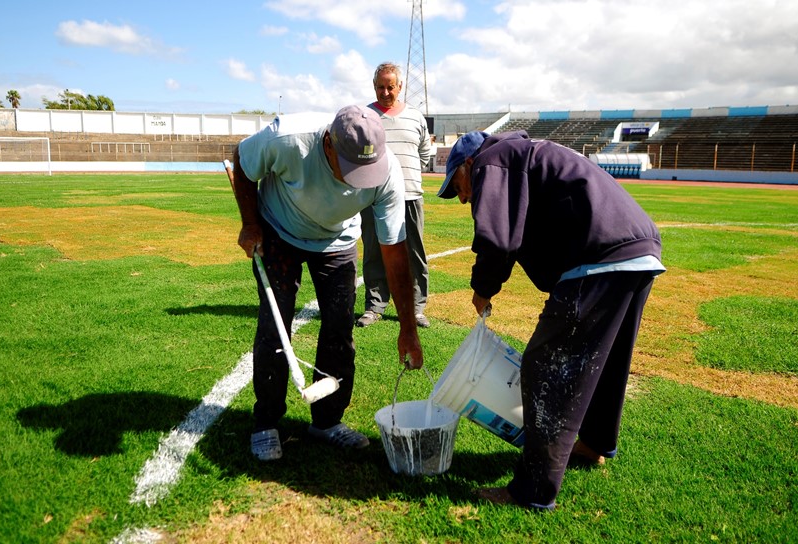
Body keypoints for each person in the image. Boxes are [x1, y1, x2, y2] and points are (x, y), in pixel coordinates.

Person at [438, 130, 665, 510]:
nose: (461, 197)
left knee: (545, 366)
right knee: (604, 360)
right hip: (638, 249)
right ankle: (594, 444)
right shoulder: (521, 154)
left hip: (601, 255)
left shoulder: (493, 160)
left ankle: (531, 491)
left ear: (468, 164)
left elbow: (497, 241)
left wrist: (483, 288)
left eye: (457, 186)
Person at [230, 105, 424, 461]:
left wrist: (408, 328)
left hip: (337, 241)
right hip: (278, 231)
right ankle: (266, 422)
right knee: (276, 326)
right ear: (328, 145)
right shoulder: (287, 138)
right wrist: (250, 223)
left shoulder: (388, 173)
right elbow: (241, 163)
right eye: (351, 168)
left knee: (339, 329)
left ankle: (327, 420)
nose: (359, 180)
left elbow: (395, 256)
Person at [356, 62, 432, 328]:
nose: (386, 92)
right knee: (374, 253)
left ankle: (416, 308)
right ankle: (375, 305)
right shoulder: (365, 116)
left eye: (391, 86)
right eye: (380, 87)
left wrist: (405, 174)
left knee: (414, 253)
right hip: (374, 197)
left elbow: (425, 153)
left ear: (400, 87)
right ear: (374, 87)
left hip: (410, 195)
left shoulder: (415, 117)